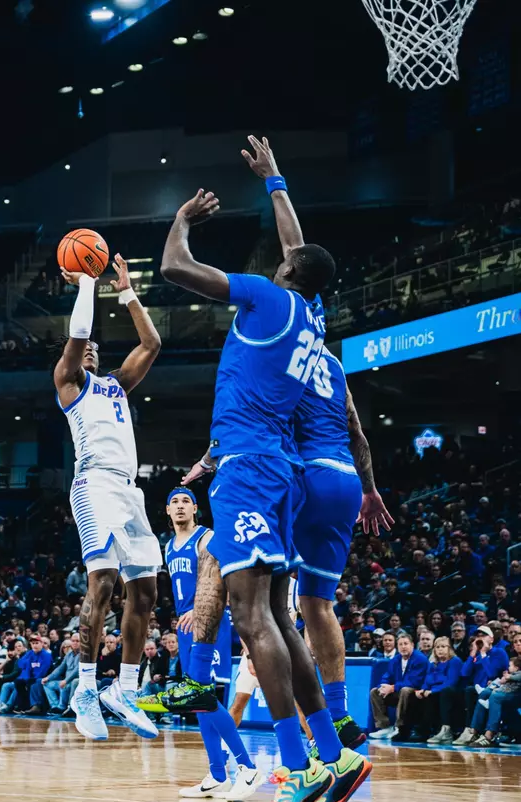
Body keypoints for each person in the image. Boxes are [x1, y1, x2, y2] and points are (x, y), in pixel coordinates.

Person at [155, 160, 370, 802]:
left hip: (248, 467)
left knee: (251, 618)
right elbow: (298, 250)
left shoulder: (267, 298)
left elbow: (173, 267)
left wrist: (181, 220)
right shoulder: (310, 317)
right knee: (277, 613)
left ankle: (295, 766)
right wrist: (277, 182)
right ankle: (331, 755)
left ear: (285, 272)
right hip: (281, 472)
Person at [241, 135, 392, 752]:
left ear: (287, 281)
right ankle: (343, 716)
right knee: (318, 604)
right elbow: (356, 428)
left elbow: (291, 254)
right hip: (347, 481)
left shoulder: (283, 338)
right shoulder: (327, 354)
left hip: (300, 474)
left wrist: (274, 180)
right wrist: (372, 489)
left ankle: (300, 734)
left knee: (261, 600)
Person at [54, 253, 162, 742]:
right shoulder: (69, 382)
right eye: (85, 347)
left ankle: (125, 689)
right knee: (102, 584)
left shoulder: (116, 386)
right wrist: (85, 284)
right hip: (93, 484)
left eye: (97, 347)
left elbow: (151, 343)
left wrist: (127, 292)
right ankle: (85, 689)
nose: (91, 350)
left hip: (129, 490)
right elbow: (79, 333)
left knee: (146, 592)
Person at [156, 487, 265, 801]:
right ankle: (218, 775)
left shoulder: (206, 538)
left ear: (195, 509)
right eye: (174, 501)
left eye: (185, 501)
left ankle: (247, 768)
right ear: (167, 510)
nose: (180, 506)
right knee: (196, 701)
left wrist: (201, 609)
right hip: (186, 627)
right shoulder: (169, 546)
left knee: (204, 698)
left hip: (210, 623)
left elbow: (227, 579)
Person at [455, 626, 512, 745]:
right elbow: (464, 673)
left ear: (491, 639)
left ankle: (474, 731)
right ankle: (468, 730)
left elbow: (492, 674)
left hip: (493, 688)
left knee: (475, 692)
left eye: (483, 635)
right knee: (468, 691)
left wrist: (483, 653)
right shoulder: (476, 655)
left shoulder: (499, 652)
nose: (480, 638)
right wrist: (473, 653)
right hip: (477, 688)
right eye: (478, 636)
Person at [368, 632, 429, 742]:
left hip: (415, 693)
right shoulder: (395, 660)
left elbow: (413, 682)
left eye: (406, 644)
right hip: (398, 690)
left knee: (405, 690)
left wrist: (392, 688)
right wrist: (383, 687)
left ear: (412, 645)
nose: (403, 647)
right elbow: (387, 676)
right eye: (400, 644)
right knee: (375, 692)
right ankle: (384, 727)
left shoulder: (420, 659)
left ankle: (399, 726)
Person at [461, 655, 521, 747]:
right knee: (484, 693)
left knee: (495, 696)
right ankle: (474, 731)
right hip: (508, 690)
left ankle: (489, 735)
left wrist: (508, 677)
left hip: (516, 693)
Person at [417, 638, 464, 744]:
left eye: (443, 646)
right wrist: (423, 689)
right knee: (418, 695)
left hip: (452, 692)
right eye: (437, 647)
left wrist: (433, 691)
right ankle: (420, 731)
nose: (440, 649)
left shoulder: (455, 661)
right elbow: (427, 680)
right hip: (435, 691)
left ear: (450, 648)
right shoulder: (433, 663)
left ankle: (446, 731)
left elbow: (451, 682)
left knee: (437, 695)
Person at [42, 634, 80, 714]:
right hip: (66, 681)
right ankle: (55, 706)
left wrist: (66, 680)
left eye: (77, 641)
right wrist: (48, 678)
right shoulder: (68, 655)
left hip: (75, 681)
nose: (75, 643)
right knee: (47, 684)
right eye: (73, 641)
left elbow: (76, 670)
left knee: (65, 684)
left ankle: (62, 707)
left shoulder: (84, 655)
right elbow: (60, 669)